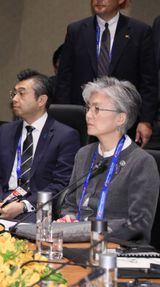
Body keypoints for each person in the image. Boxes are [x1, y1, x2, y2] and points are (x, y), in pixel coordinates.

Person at [59, 77, 160, 243]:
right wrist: (68, 219)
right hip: (77, 241)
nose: (88, 115)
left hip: (117, 248)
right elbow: (69, 204)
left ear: (120, 118)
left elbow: (138, 224)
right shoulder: (83, 154)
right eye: (88, 108)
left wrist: (85, 229)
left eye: (97, 109)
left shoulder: (141, 162)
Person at [56, 0, 158, 147]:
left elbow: (149, 82)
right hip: (82, 118)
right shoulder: (76, 30)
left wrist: (146, 120)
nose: (98, 0)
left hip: (122, 119)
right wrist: (64, 117)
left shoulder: (140, 31)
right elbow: (64, 79)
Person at [0, 69, 80, 221]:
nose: (15, 99)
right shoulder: (6, 131)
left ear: (41, 100)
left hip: (37, 210)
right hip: (4, 204)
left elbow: (60, 185)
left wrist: (23, 205)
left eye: (22, 93)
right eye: (14, 93)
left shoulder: (65, 136)